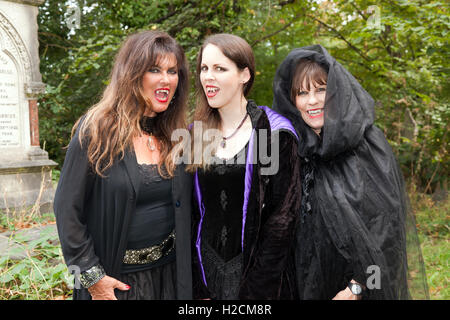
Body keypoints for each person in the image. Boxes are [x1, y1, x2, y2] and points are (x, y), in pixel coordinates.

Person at [272, 44, 429, 300]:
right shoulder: (294, 152)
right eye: (302, 93)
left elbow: (388, 235)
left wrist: (357, 288)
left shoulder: (367, 147)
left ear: (336, 92)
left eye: (321, 90)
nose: (311, 101)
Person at [53, 30, 193, 300]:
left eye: (173, 71)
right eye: (155, 69)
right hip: (115, 284)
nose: (166, 79)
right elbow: (67, 209)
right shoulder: (96, 131)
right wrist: (93, 278)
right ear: (132, 73)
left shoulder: (176, 135)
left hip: (170, 279)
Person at [188, 33, 301, 300]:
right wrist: (196, 285)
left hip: (258, 278)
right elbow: (189, 213)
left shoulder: (272, 133)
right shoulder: (194, 134)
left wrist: (254, 292)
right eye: (204, 68)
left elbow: (282, 220)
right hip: (205, 274)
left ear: (244, 75)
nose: (208, 77)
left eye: (219, 68)